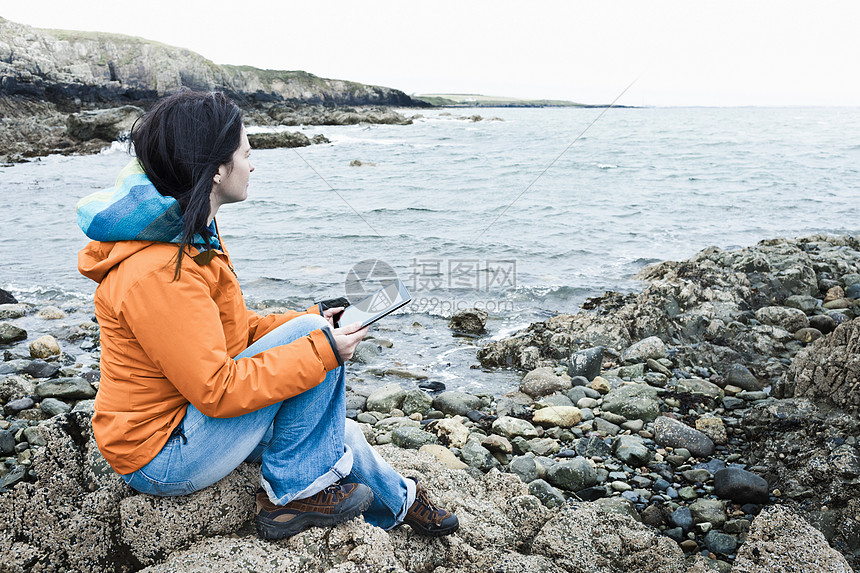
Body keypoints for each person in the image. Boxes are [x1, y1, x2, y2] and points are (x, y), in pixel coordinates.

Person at [76, 90, 458, 540]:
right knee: (316, 348)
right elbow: (216, 390)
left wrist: (312, 317)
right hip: (161, 454)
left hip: (186, 423)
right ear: (218, 169)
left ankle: (401, 503)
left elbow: (234, 331)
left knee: (335, 428)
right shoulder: (160, 271)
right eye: (246, 153)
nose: (252, 165)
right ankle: (292, 496)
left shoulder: (189, 239)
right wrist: (323, 349)